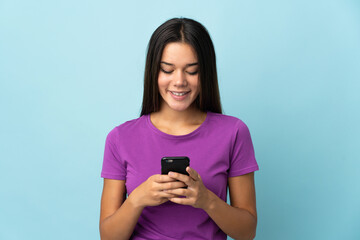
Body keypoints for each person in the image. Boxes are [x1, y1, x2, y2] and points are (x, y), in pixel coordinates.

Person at [99, 17, 259, 240]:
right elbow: (108, 236)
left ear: (206, 73)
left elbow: (247, 232)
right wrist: (137, 199)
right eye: (168, 70)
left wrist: (206, 200)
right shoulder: (120, 138)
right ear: (154, 72)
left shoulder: (234, 133)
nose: (179, 81)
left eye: (192, 71)